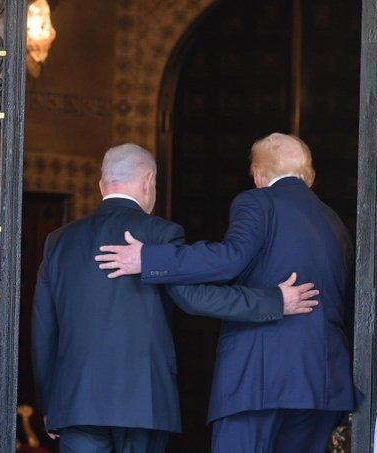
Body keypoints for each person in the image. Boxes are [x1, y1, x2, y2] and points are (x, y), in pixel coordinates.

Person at [32, 143, 319, 453]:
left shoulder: (58, 241)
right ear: (148, 181)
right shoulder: (159, 233)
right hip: (143, 402)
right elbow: (196, 298)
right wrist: (274, 301)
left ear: (102, 185)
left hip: (75, 403)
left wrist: (50, 403)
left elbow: (44, 326)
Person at [96, 133, 355, 453]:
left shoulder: (257, 202)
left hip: (260, 381)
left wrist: (150, 258)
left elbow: (229, 260)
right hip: (324, 384)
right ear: (308, 172)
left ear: (258, 174)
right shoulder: (335, 222)